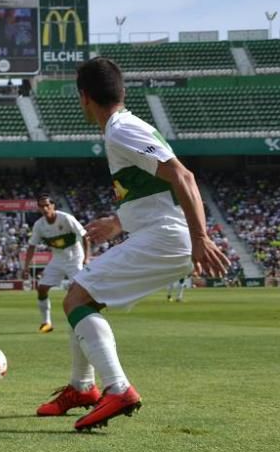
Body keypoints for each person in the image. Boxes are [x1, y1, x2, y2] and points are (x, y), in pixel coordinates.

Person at [35, 58, 229, 431]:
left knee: (76, 298)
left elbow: (183, 177)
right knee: (84, 298)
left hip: (168, 238)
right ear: (121, 91)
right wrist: (119, 222)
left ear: (84, 98)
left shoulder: (120, 130)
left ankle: (117, 388)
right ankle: (82, 388)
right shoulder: (124, 128)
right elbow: (155, 193)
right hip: (160, 233)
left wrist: (201, 237)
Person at [21, 195, 90, 333]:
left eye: (47, 205)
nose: (45, 208)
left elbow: (84, 236)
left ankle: (85, 321)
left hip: (75, 257)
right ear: (39, 209)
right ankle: (46, 323)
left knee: (79, 290)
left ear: (53, 205)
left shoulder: (66, 218)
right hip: (57, 258)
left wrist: (86, 258)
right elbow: (31, 246)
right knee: (42, 288)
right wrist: (26, 267)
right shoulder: (39, 225)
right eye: (42, 206)